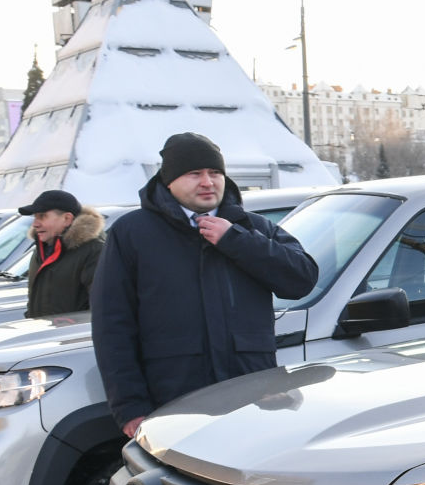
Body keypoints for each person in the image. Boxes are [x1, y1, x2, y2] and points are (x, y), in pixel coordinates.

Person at [91, 132, 318, 438]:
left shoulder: (252, 227)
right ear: (168, 181)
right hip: (173, 401)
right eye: (194, 173)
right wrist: (130, 407)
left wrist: (236, 240)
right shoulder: (132, 234)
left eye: (215, 173)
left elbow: (301, 279)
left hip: (252, 396)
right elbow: (112, 325)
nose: (208, 182)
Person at [18, 189, 105, 319]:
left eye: (42, 216)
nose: (35, 224)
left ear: (67, 219)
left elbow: (103, 308)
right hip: (43, 336)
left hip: (72, 337)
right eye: (35, 217)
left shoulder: (94, 251)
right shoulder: (41, 251)